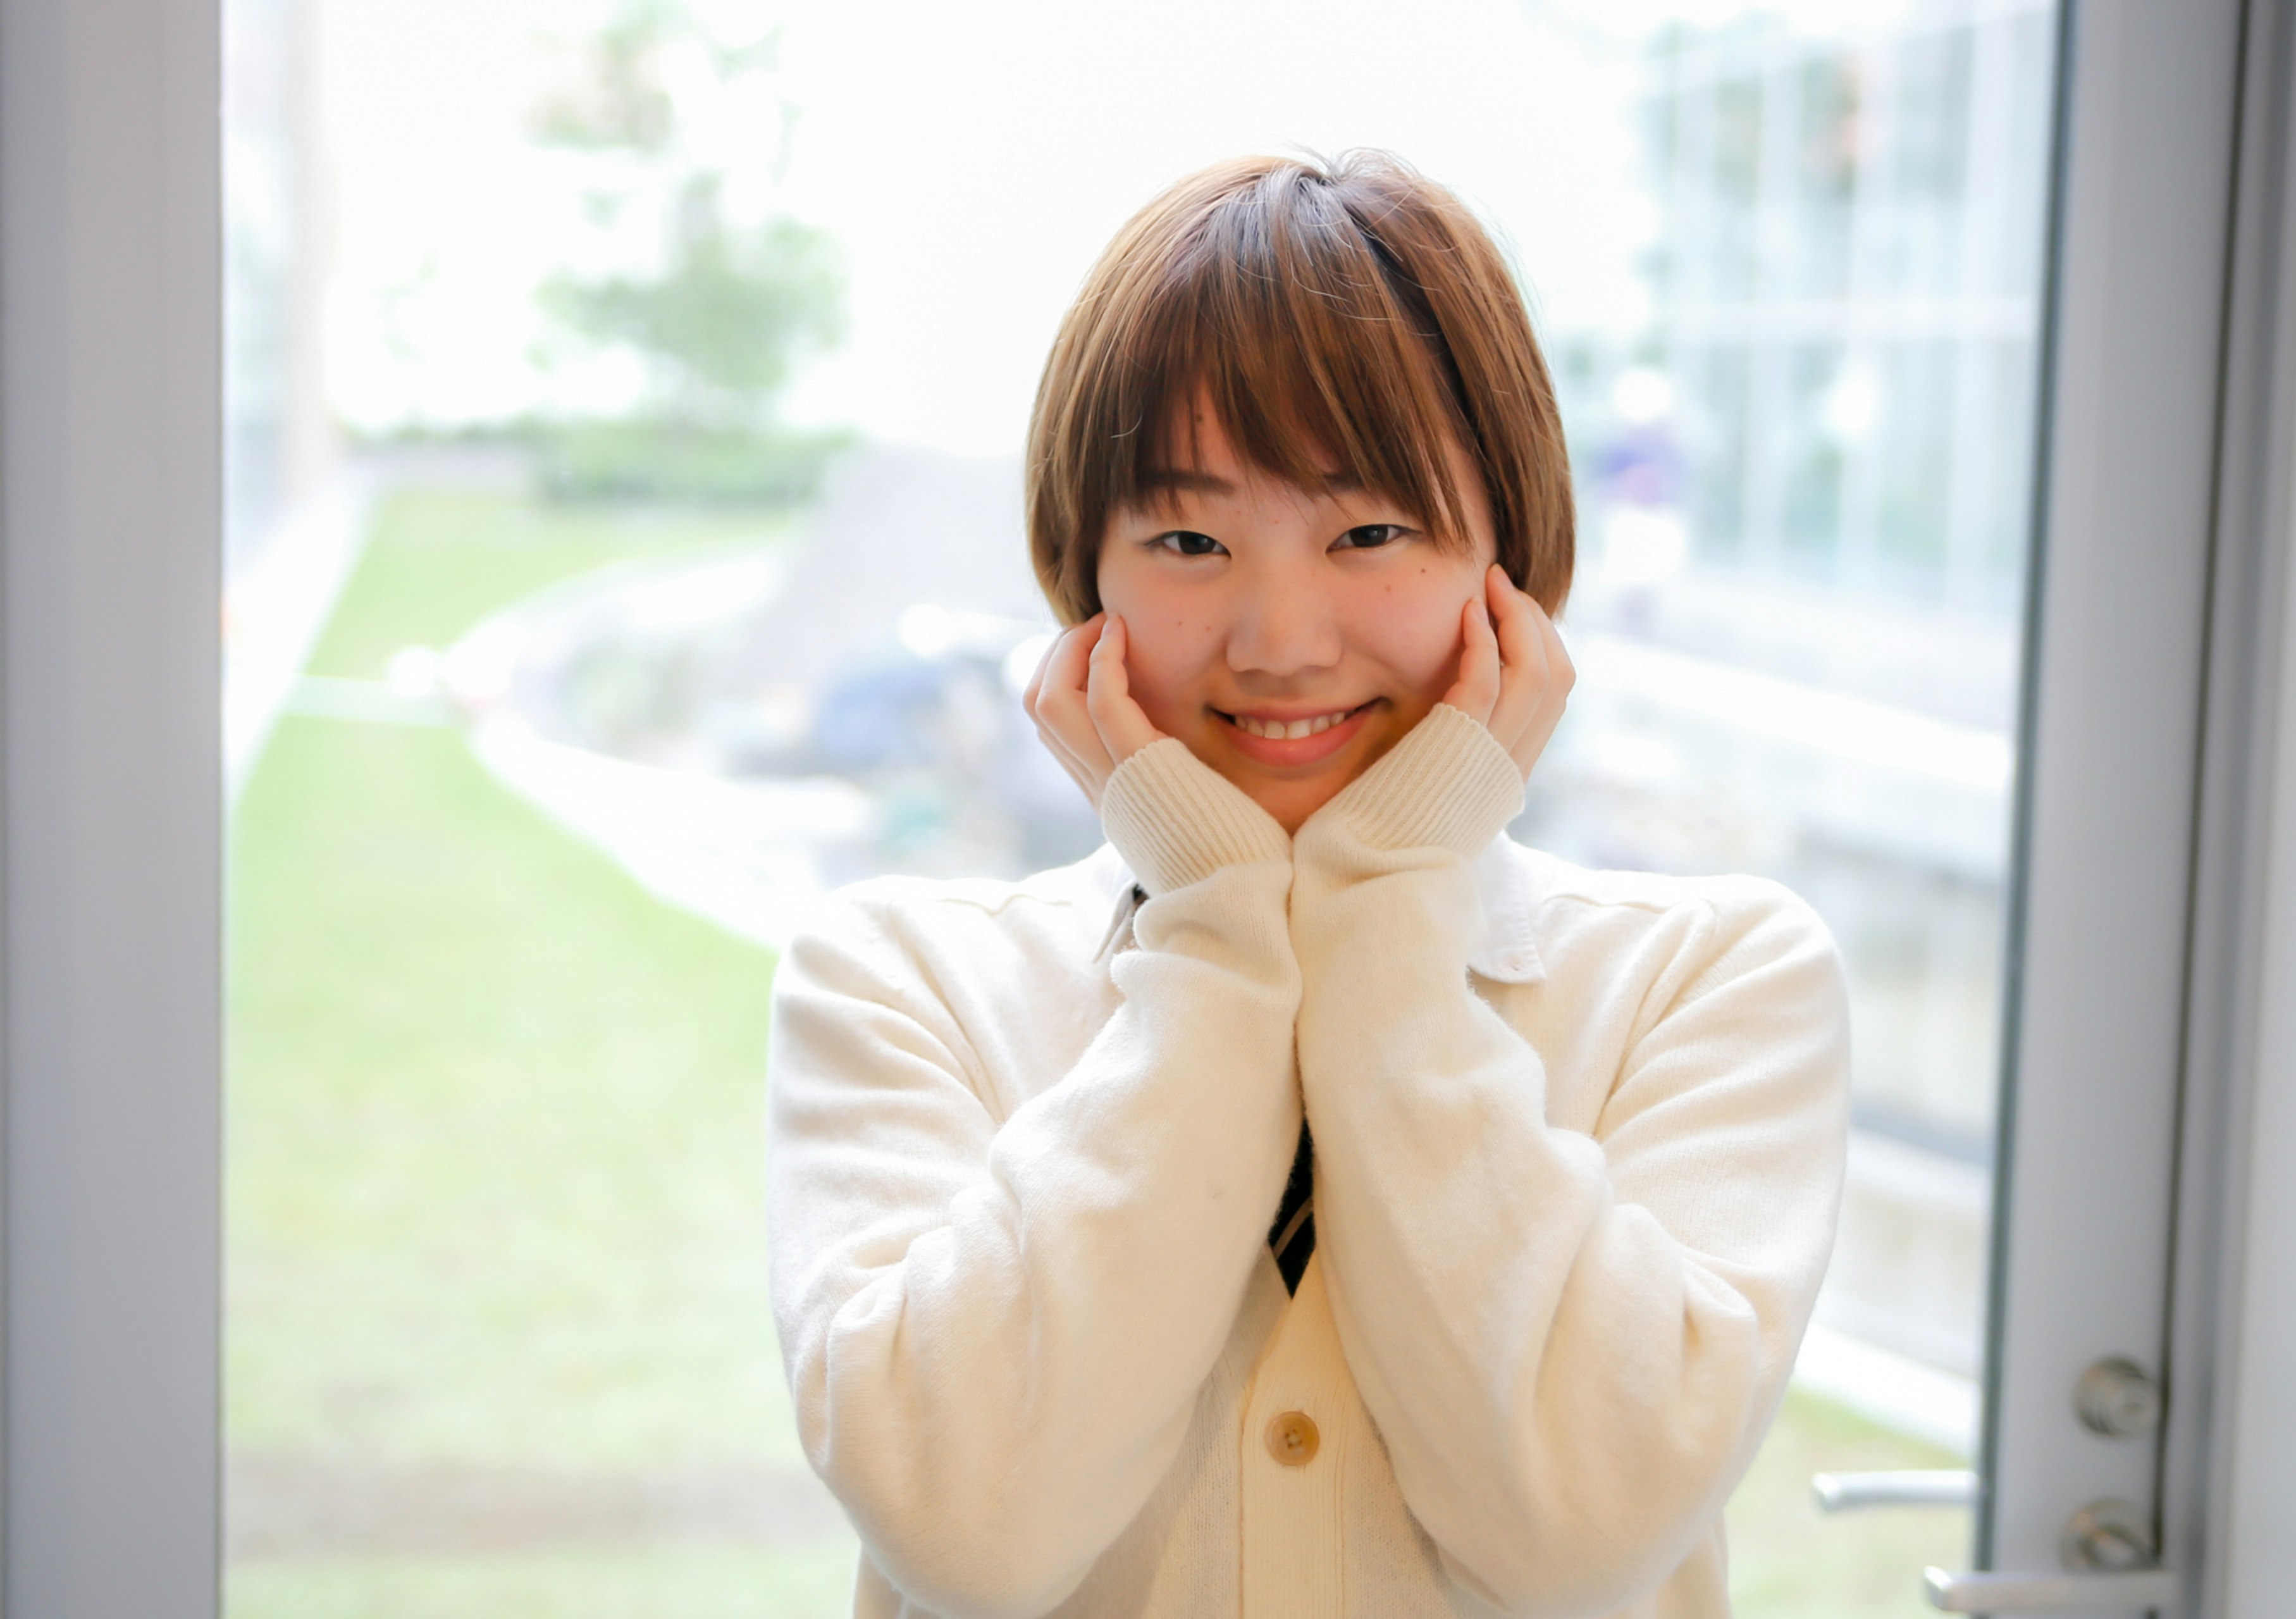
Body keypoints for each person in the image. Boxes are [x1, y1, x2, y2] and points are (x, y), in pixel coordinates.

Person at [766, 151, 1849, 1619]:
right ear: (1085, 579)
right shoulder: (898, 979)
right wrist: (1218, 921)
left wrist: (1389, 891)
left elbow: (1578, 1536)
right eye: (1192, 540)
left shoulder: (1710, 981)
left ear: (1510, 563)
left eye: (1369, 533)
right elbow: (970, 1539)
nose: (1281, 641)